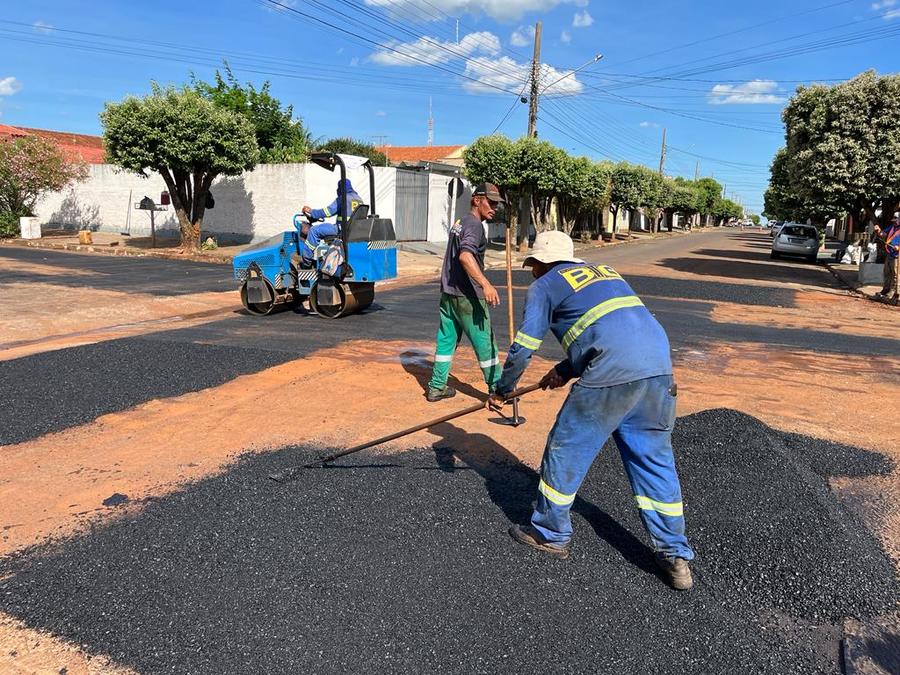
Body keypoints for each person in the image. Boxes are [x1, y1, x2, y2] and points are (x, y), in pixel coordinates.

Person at [487, 230, 695, 590]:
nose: (533, 271)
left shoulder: (544, 285)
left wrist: (503, 390)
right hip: (659, 373)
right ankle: (674, 554)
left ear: (540, 263)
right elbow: (609, 330)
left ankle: (550, 532)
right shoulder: (607, 272)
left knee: (565, 448)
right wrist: (564, 370)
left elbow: (523, 347)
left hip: (611, 376)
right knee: (654, 464)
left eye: (533, 264)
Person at [426, 183, 504, 403]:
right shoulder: (475, 225)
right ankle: (498, 390)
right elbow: (465, 256)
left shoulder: (460, 222)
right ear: (477, 199)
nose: (494, 208)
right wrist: (486, 284)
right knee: (485, 343)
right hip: (468, 296)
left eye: (497, 204)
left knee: (446, 341)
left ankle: (436, 387)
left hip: (449, 294)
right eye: (491, 202)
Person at [296, 179, 364, 266]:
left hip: (341, 229)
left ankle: (306, 261)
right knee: (322, 228)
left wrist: (312, 212)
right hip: (353, 230)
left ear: (341, 188)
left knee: (314, 230)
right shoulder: (359, 199)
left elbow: (328, 211)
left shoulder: (343, 198)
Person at [874, 215, 900, 305]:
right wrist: (878, 231)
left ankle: (893, 292)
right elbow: (883, 234)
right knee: (887, 272)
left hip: (897, 255)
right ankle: (885, 289)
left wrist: (899, 247)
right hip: (890, 253)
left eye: (896, 220)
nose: (894, 222)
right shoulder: (892, 227)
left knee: (895, 274)